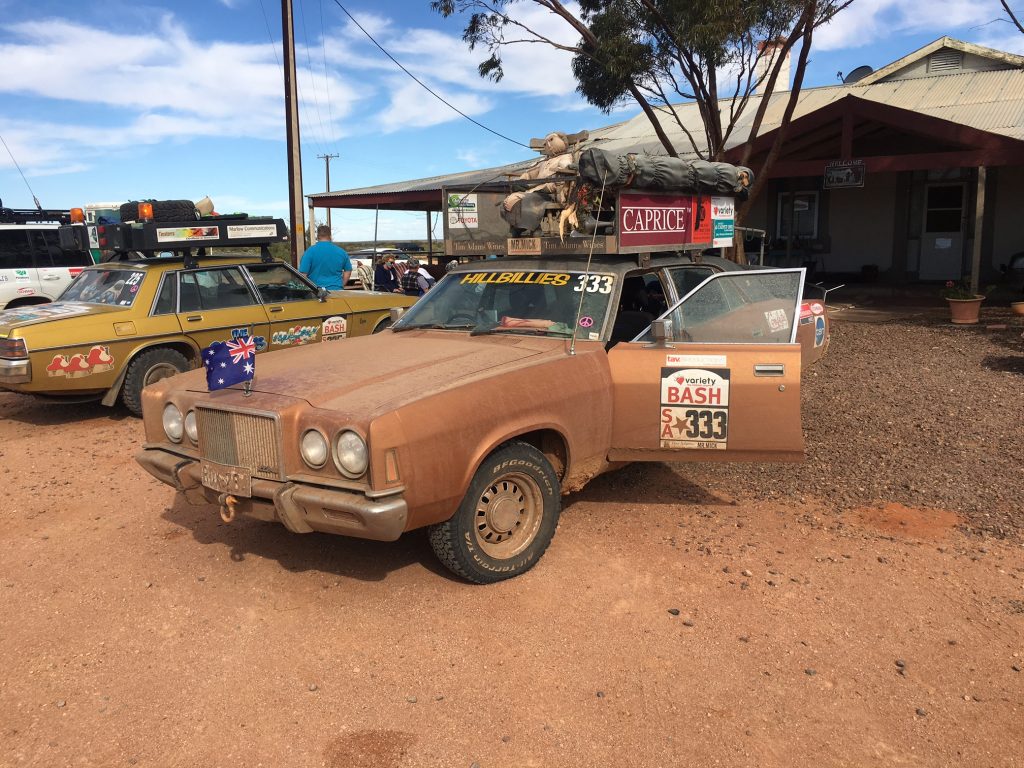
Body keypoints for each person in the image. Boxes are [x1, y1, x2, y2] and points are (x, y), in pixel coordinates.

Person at [299, 225, 351, 290]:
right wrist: (341, 285)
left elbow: (303, 274)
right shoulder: (341, 252)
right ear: (330, 236)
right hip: (337, 290)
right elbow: (348, 270)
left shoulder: (309, 252)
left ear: (317, 236)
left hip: (316, 292)